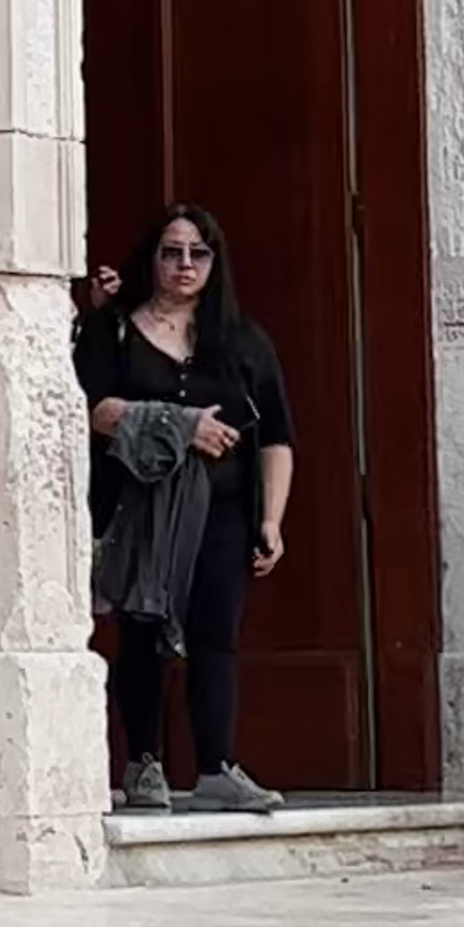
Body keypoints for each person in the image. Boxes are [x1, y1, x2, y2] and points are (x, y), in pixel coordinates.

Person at [73, 204, 297, 817]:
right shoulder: (115, 328)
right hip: (141, 508)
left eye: (198, 253)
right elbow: (93, 409)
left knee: (215, 632)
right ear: (152, 259)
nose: (185, 265)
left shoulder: (242, 340)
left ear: (214, 262)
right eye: (171, 252)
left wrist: (271, 520)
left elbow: (276, 437)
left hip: (224, 510)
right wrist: (182, 425)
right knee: (142, 629)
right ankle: (143, 761)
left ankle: (217, 766)